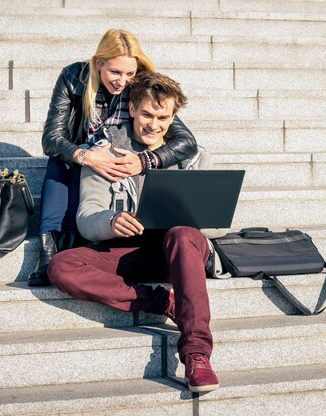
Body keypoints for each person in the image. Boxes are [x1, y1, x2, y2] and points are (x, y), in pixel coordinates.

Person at [48, 72, 219, 393]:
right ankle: (160, 301)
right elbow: (86, 218)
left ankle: (196, 352)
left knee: (182, 233)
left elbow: (209, 223)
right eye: (147, 115)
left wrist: (185, 217)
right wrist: (110, 221)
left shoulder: (192, 155)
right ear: (133, 110)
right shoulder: (104, 155)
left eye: (163, 117)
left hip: (182, 248)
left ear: (173, 117)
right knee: (61, 266)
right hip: (131, 250)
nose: (154, 124)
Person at [28, 29, 198, 287]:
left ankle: (73, 247)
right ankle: (48, 250)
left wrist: (144, 161)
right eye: (115, 72)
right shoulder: (74, 77)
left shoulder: (140, 86)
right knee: (60, 166)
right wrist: (87, 157)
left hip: (119, 159)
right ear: (99, 63)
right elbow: (51, 140)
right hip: (82, 157)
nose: (123, 81)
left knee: (85, 175)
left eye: (130, 73)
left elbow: (187, 142)